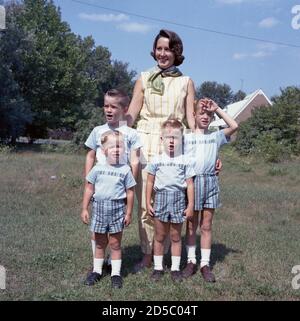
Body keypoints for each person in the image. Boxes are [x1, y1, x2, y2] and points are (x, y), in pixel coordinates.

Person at [125, 29, 197, 273]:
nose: (162, 53)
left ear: (176, 52)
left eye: (167, 49)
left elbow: (191, 120)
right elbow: (132, 112)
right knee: (147, 204)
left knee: (174, 200)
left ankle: (168, 255)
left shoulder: (186, 82)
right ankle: (148, 256)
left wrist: (206, 151)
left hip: (175, 145)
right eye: (159, 48)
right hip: (145, 143)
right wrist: (117, 130)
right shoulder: (144, 78)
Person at [84, 89, 141, 278]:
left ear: (124, 109)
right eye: (106, 105)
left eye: (113, 106)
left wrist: (129, 187)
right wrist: (88, 184)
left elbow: (134, 161)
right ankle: (98, 265)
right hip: (100, 188)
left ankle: (111, 261)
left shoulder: (131, 133)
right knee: (97, 230)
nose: (108, 110)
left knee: (115, 232)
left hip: (119, 188)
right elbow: (90, 155)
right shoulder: (97, 131)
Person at [182, 98, 238, 282]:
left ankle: (205, 264)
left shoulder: (215, 136)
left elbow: (234, 125)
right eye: (202, 113)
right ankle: (191, 261)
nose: (205, 117)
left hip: (211, 182)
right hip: (192, 183)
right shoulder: (186, 137)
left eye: (209, 114)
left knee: (206, 225)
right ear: (194, 115)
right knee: (191, 225)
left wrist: (217, 109)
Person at [81, 131, 136, 289]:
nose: (116, 149)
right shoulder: (97, 168)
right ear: (104, 150)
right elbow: (89, 189)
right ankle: (97, 271)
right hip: (99, 209)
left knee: (115, 243)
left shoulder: (125, 170)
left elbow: (130, 192)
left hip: (117, 209)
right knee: (99, 243)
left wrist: (129, 212)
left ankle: (116, 274)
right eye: (112, 146)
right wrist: (85, 208)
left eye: (119, 146)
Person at [145, 119, 195, 282]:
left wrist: (190, 206)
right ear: (162, 139)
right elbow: (150, 182)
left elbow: (189, 185)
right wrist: (147, 202)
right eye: (168, 137)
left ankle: (175, 269)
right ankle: (158, 268)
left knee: (175, 236)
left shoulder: (185, 160)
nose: (171, 141)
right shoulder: (156, 160)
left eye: (175, 137)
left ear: (182, 139)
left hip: (178, 200)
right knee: (159, 236)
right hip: (160, 199)